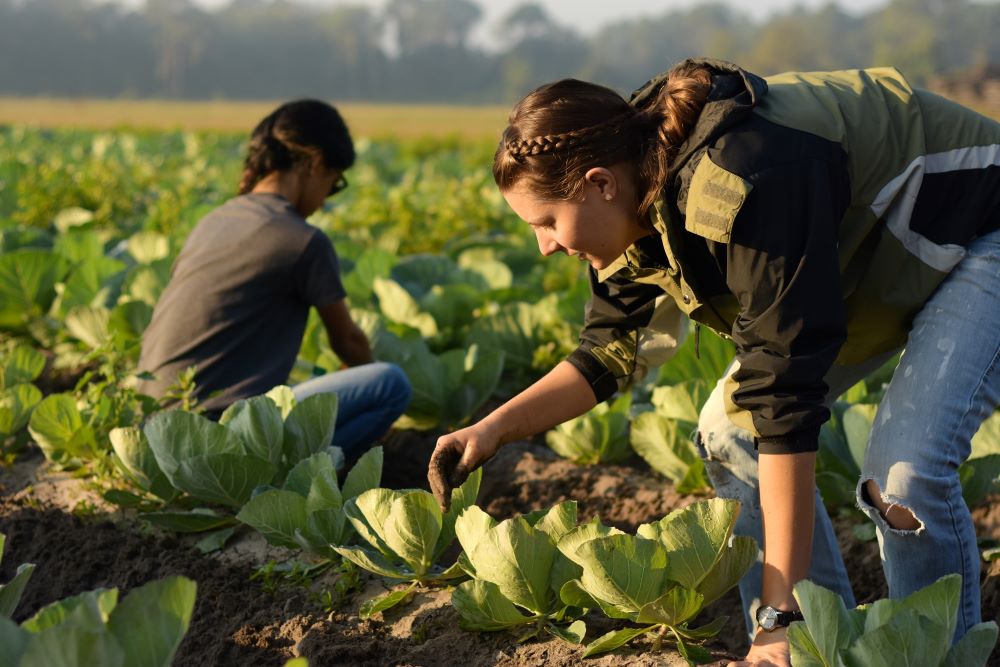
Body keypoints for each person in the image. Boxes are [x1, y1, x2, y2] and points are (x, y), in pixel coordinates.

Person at [426, 58, 1000, 666]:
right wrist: (491, 429)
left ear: (599, 183)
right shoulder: (635, 198)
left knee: (903, 475)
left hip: (979, 231)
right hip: (881, 255)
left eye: (546, 222)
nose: (544, 245)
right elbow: (609, 351)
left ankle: (931, 655)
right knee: (731, 433)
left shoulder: (744, 180)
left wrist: (777, 616)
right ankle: (818, 653)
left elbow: (784, 395)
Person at [138, 99, 411, 463]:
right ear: (314, 163)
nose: (325, 201)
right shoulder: (302, 240)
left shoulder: (214, 220)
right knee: (390, 384)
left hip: (157, 433)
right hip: (221, 434)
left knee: (305, 382)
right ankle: (300, 473)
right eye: (333, 183)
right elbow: (349, 343)